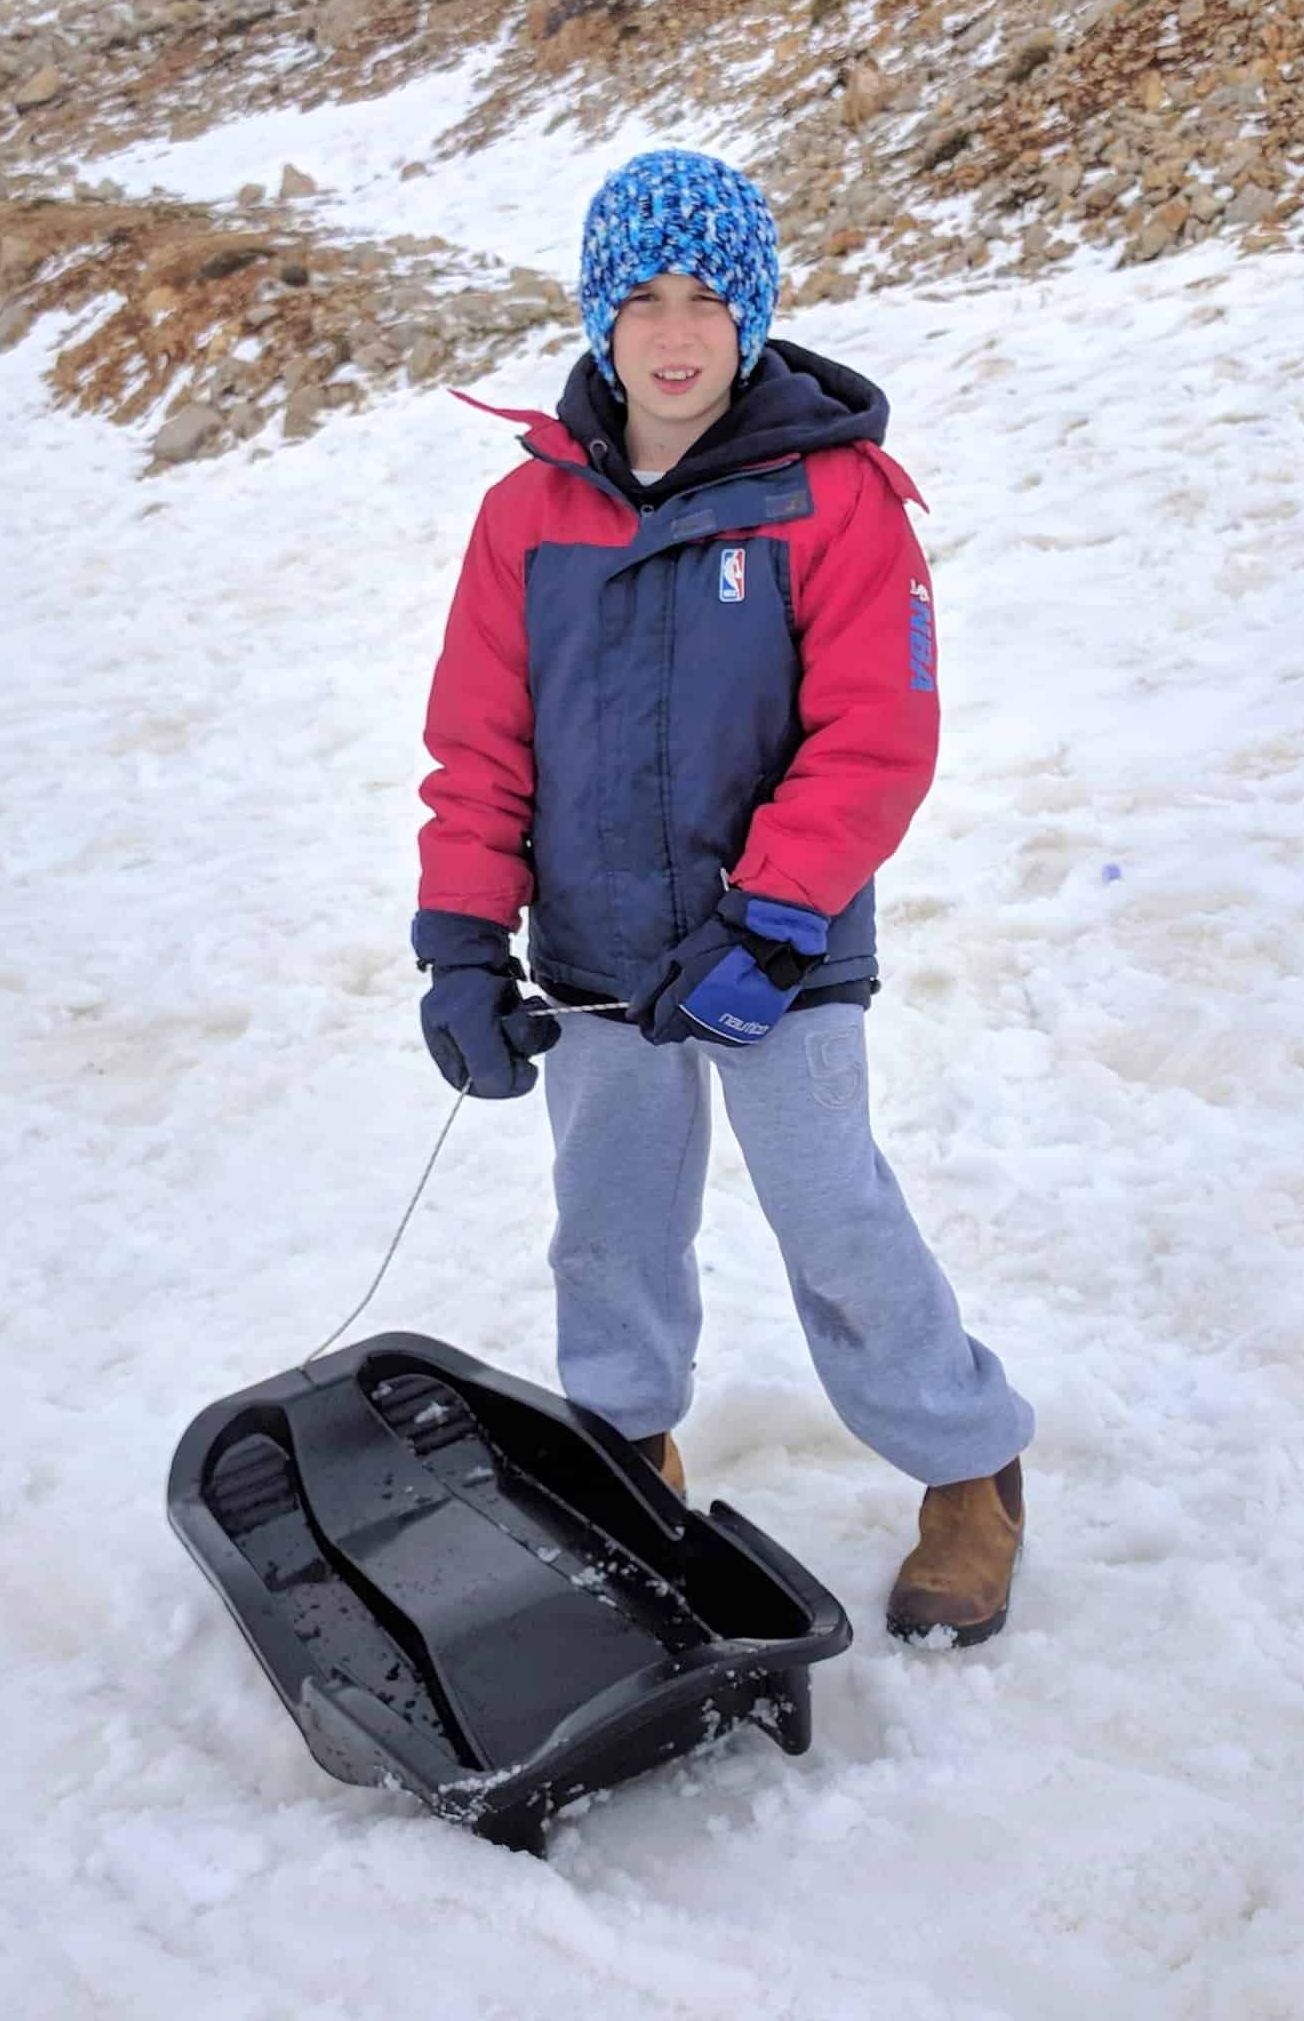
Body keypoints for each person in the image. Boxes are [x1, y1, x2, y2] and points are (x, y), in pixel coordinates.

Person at [409, 148, 1035, 1647]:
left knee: (830, 1213)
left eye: (706, 299)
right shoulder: (526, 518)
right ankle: (625, 1452)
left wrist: (770, 920)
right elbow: (480, 742)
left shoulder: (833, 498)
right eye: (642, 301)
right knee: (608, 1223)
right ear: (597, 320)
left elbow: (878, 737)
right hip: (597, 950)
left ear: (750, 317)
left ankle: (968, 1463)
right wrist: (458, 942)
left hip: (785, 947)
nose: (674, 335)